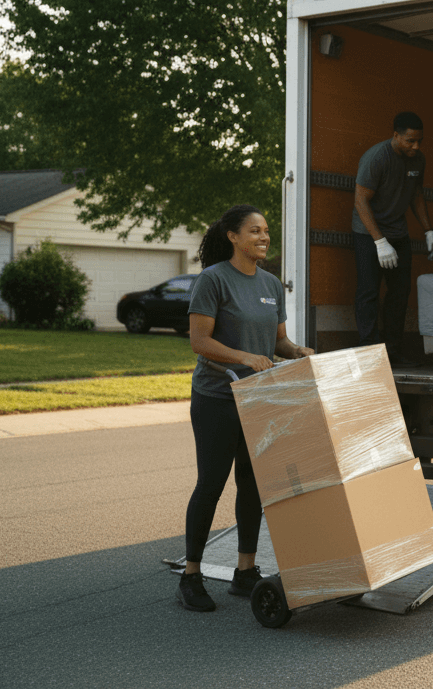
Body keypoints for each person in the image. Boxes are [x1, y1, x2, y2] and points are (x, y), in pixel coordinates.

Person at [178, 204, 314, 612]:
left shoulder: (272, 285)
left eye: (266, 231)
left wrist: (296, 351)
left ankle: (244, 570)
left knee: (254, 484)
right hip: (218, 398)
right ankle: (191, 575)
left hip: (259, 399)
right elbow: (200, 342)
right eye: (254, 231)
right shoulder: (213, 280)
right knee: (211, 484)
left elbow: (276, 342)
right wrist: (242, 357)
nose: (264, 237)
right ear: (233, 236)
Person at [353, 111, 433, 368]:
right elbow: (360, 200)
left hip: (398, 234)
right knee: (369, 292)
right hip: (368, 234)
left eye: (419, 141)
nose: (416, 146)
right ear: (395, 136)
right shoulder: (377, 157)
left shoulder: (417, 160)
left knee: (400, 293)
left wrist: (428, 231)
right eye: (410, 141)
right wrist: (379, 242)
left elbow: (416, 195)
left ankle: (393, 352)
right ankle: (369, 353)